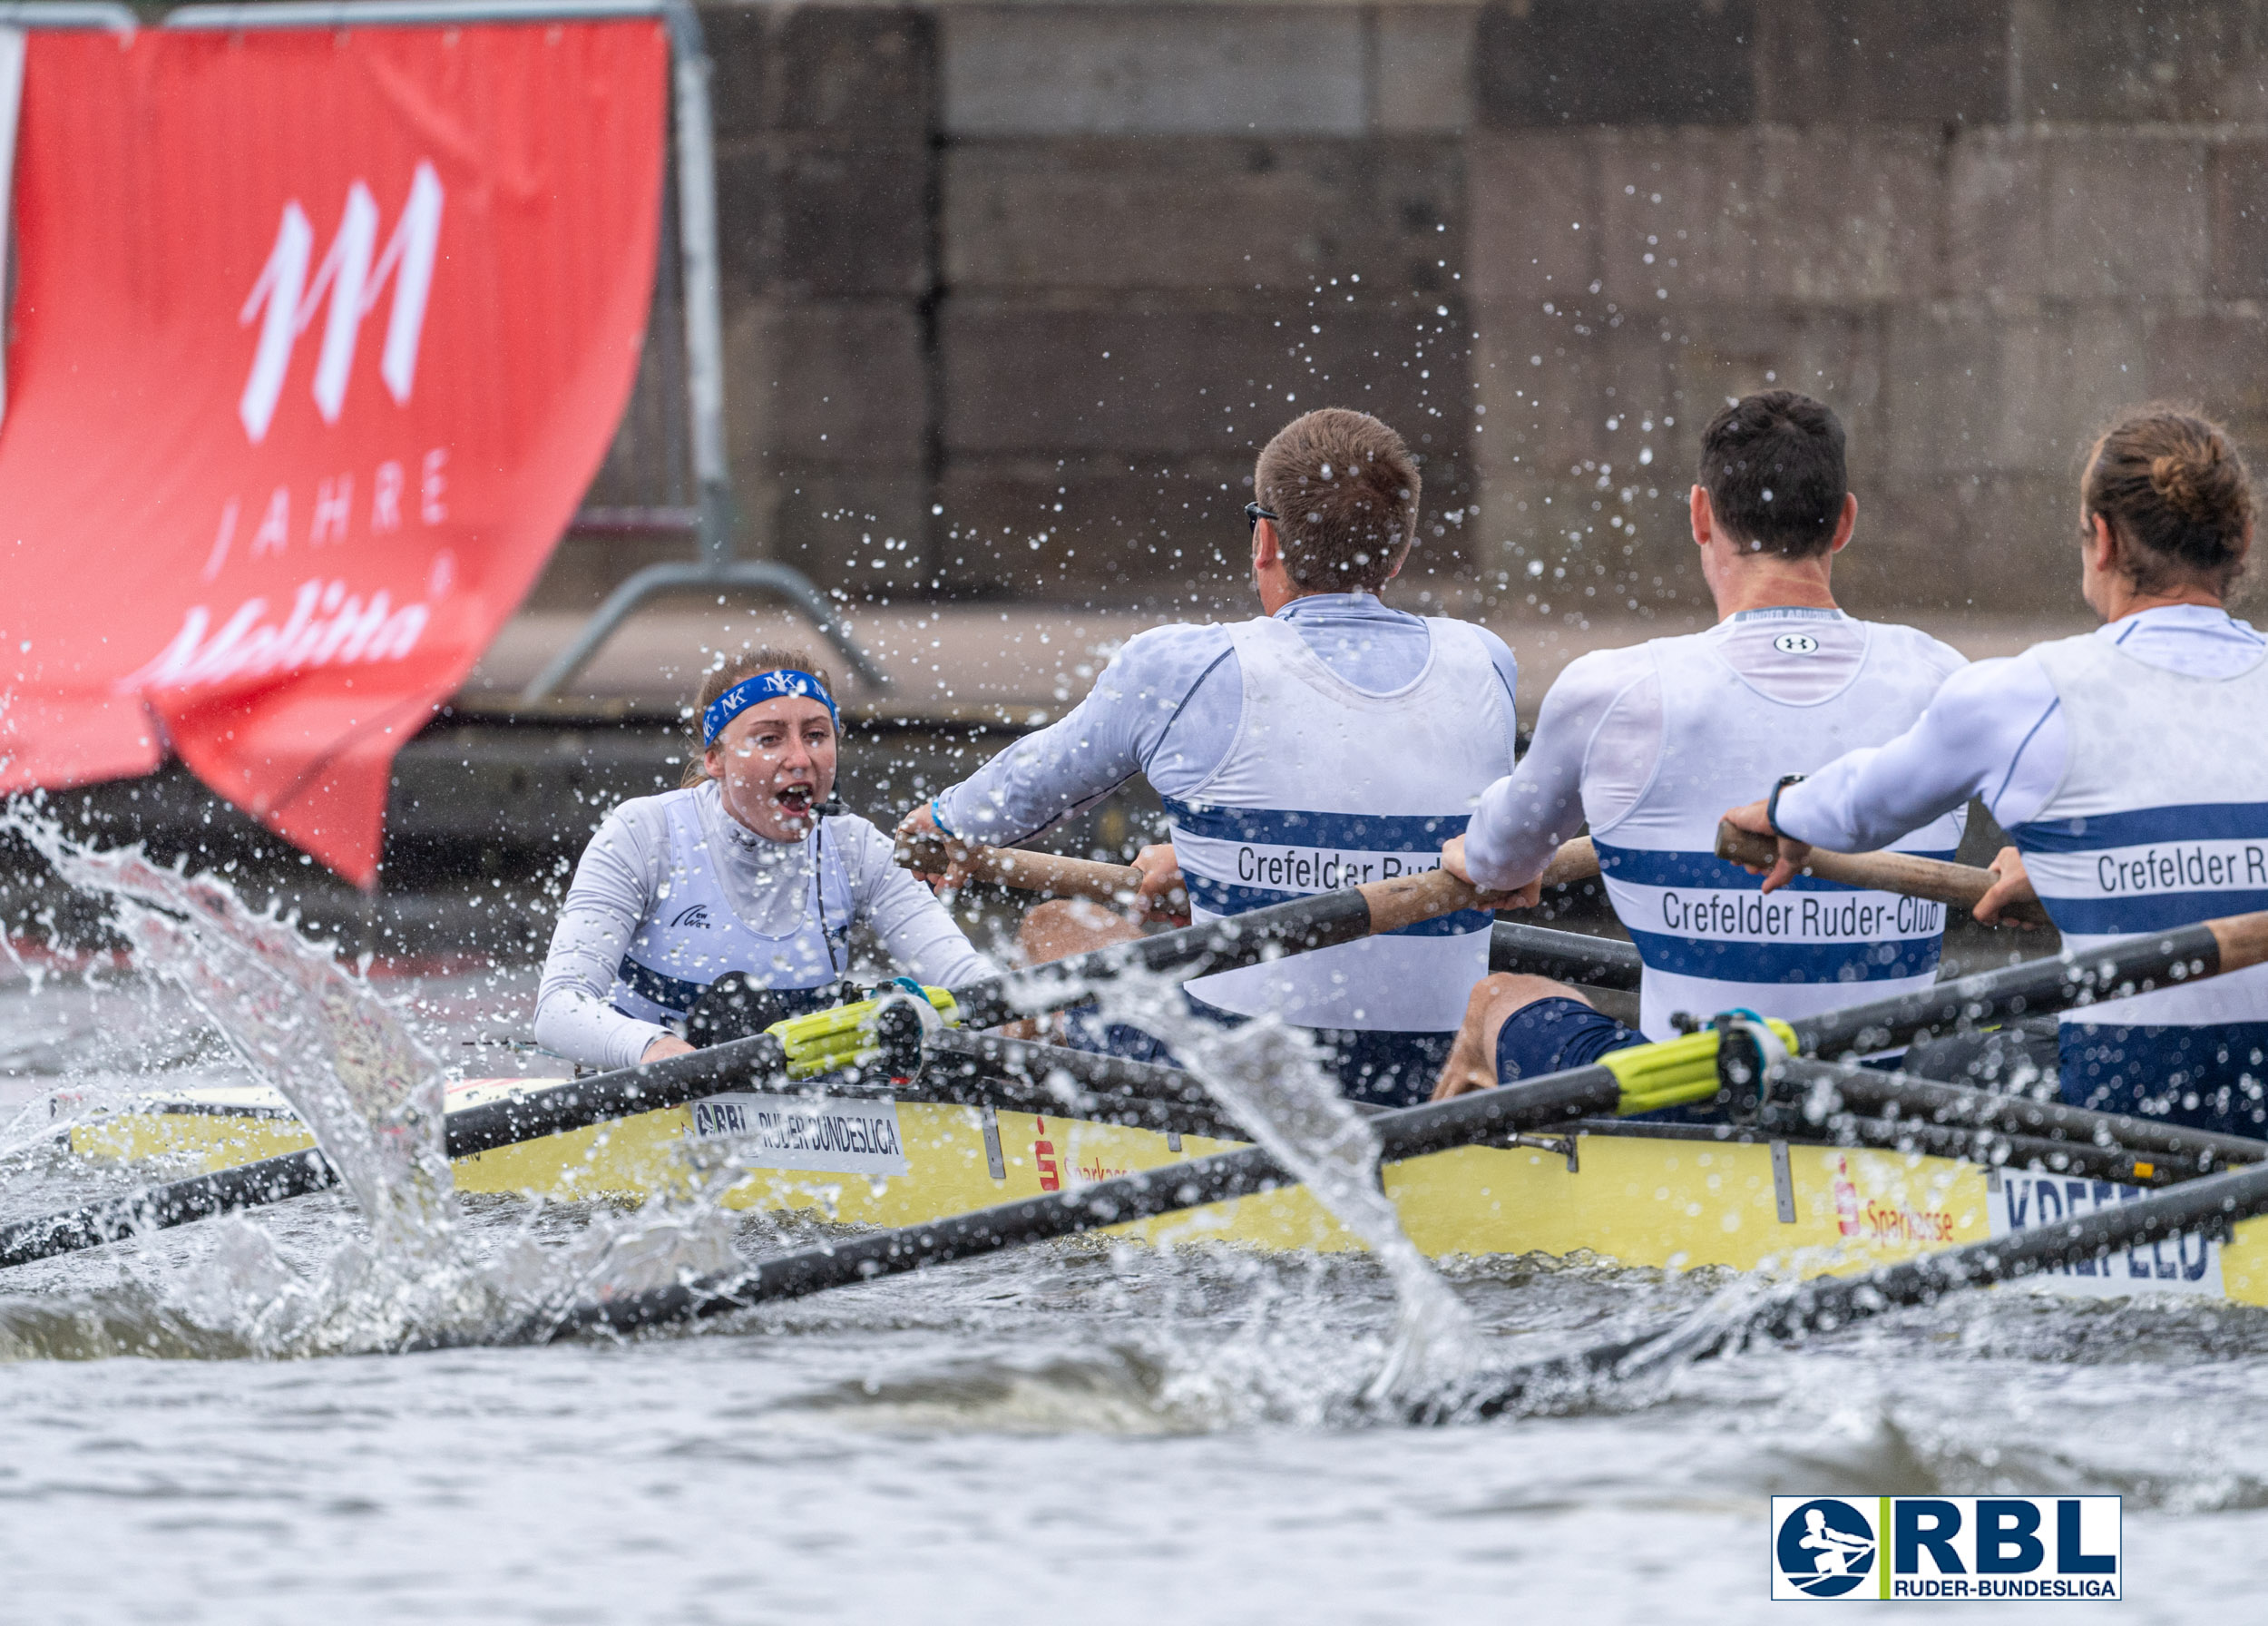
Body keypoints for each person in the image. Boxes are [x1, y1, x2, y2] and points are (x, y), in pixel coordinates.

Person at [894, 407, 1521, 1106]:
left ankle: (1021, 1103)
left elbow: (986, 816)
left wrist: (932, 826)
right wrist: (1208, 859)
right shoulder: (1484, 661)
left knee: (1057, 928)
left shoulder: (1183, 665)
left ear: (1264, 541)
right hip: (1433, 1070)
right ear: (1398, 555)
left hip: (1244, 1074)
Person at [1727, 406, 2268, 1135]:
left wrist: (1785, 811)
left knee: (1911, 1064)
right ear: (2243, 540)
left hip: (2129, 1106)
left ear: (2101, 540)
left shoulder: (2025, 692)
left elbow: (1858, 809)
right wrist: (2073, 878)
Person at [1432, 390, 1968, 1100]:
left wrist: (1486, 857)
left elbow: (1499, 863)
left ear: (1700, 515)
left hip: (1685, 1108)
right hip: (1890, 1107)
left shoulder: (1613, 690)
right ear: (1843, 523)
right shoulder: (1947, 681)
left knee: (1495, 999)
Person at [534, 650, 994, 1071]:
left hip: (802, 1105)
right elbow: (559, 1009)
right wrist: (653, 1049)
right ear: (716, 759)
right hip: (647, 1094)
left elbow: (970, 984)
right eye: (770, 739)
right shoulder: (645, 833)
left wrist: (1031, 1009)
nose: (800, 759)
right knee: (737, 1004)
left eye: (816, 735)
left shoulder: (856, 850)